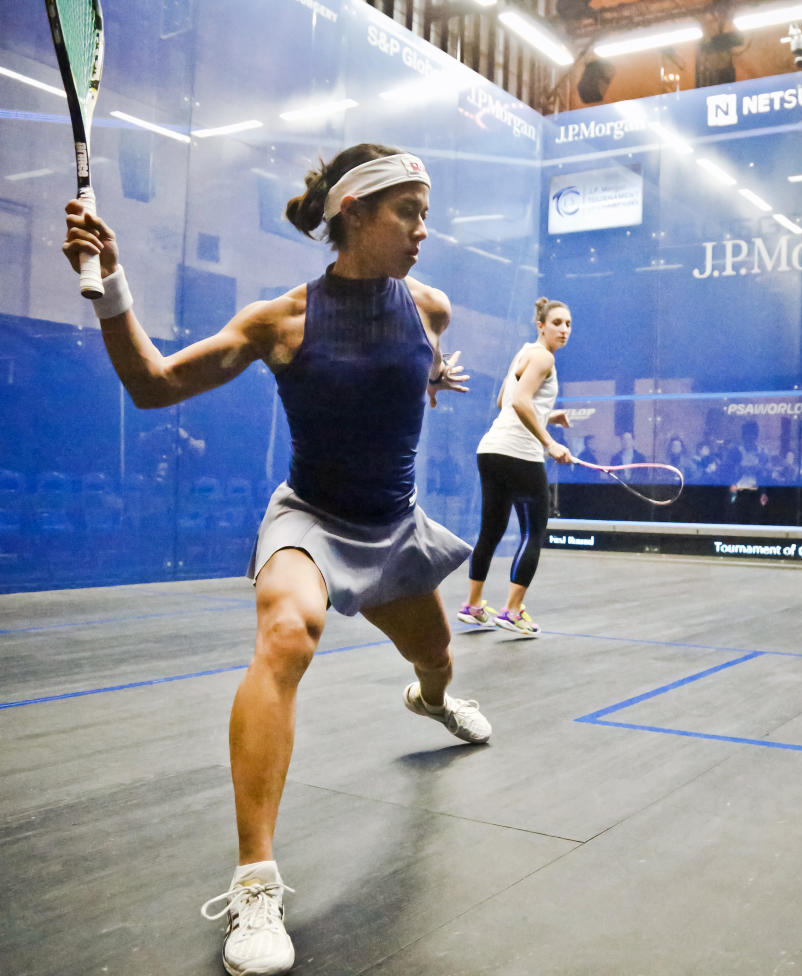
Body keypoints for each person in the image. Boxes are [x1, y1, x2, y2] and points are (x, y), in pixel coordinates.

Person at [62, 143, 491, 976]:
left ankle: (430, 700)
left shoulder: (429, 308)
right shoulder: (281, 320)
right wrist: (112, 282)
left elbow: (403, 365)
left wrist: (433, 375)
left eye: (425, 214)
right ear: (354, 216)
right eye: (408, 212)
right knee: (287, 636)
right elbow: (153, 385)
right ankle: (256, 882)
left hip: (395, 527)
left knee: (437, 659)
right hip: (312, 522)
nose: (422, 231)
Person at [457, 298, 573, 637]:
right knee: (532, 532)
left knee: (491, 531)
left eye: (567, 324)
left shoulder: (524, 353)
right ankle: (511, 611)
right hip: (519, 454)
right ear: (541, 326)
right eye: (557, 323)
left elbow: (504, 402)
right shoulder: (543, 357)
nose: (563, 329)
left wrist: (550, 415)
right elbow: (520, 402)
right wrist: (549, 442)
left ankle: (473, 605)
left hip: (491, 450)